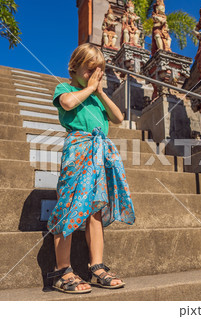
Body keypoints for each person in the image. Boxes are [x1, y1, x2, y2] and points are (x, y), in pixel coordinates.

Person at [47, 43, 136, 294]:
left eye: (99, 71)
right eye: (89, 70)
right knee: (70, 205)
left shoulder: (96, 98)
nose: (94, 76)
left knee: (95, 210)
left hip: (100, 155)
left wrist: (99, 92)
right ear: (73, 69)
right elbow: (66, 103)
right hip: (78, 150)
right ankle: (62, 270)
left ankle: (96, 266)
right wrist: (88, 89)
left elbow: (118, 118)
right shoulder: (66, 88)